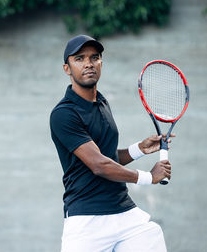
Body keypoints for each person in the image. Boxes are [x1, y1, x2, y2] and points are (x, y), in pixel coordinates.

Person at [49, 35, 172, 252]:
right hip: (86, 219)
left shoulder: (102, 102)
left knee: (152, 234)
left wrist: (139, 149)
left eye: (94, 57)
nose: (88, 63)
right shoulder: (63, 114)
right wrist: (148, 177)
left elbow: (106, 156)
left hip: (124, 213)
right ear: (67, 69)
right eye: (79, 58)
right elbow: (98, 165)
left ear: (101, 63)